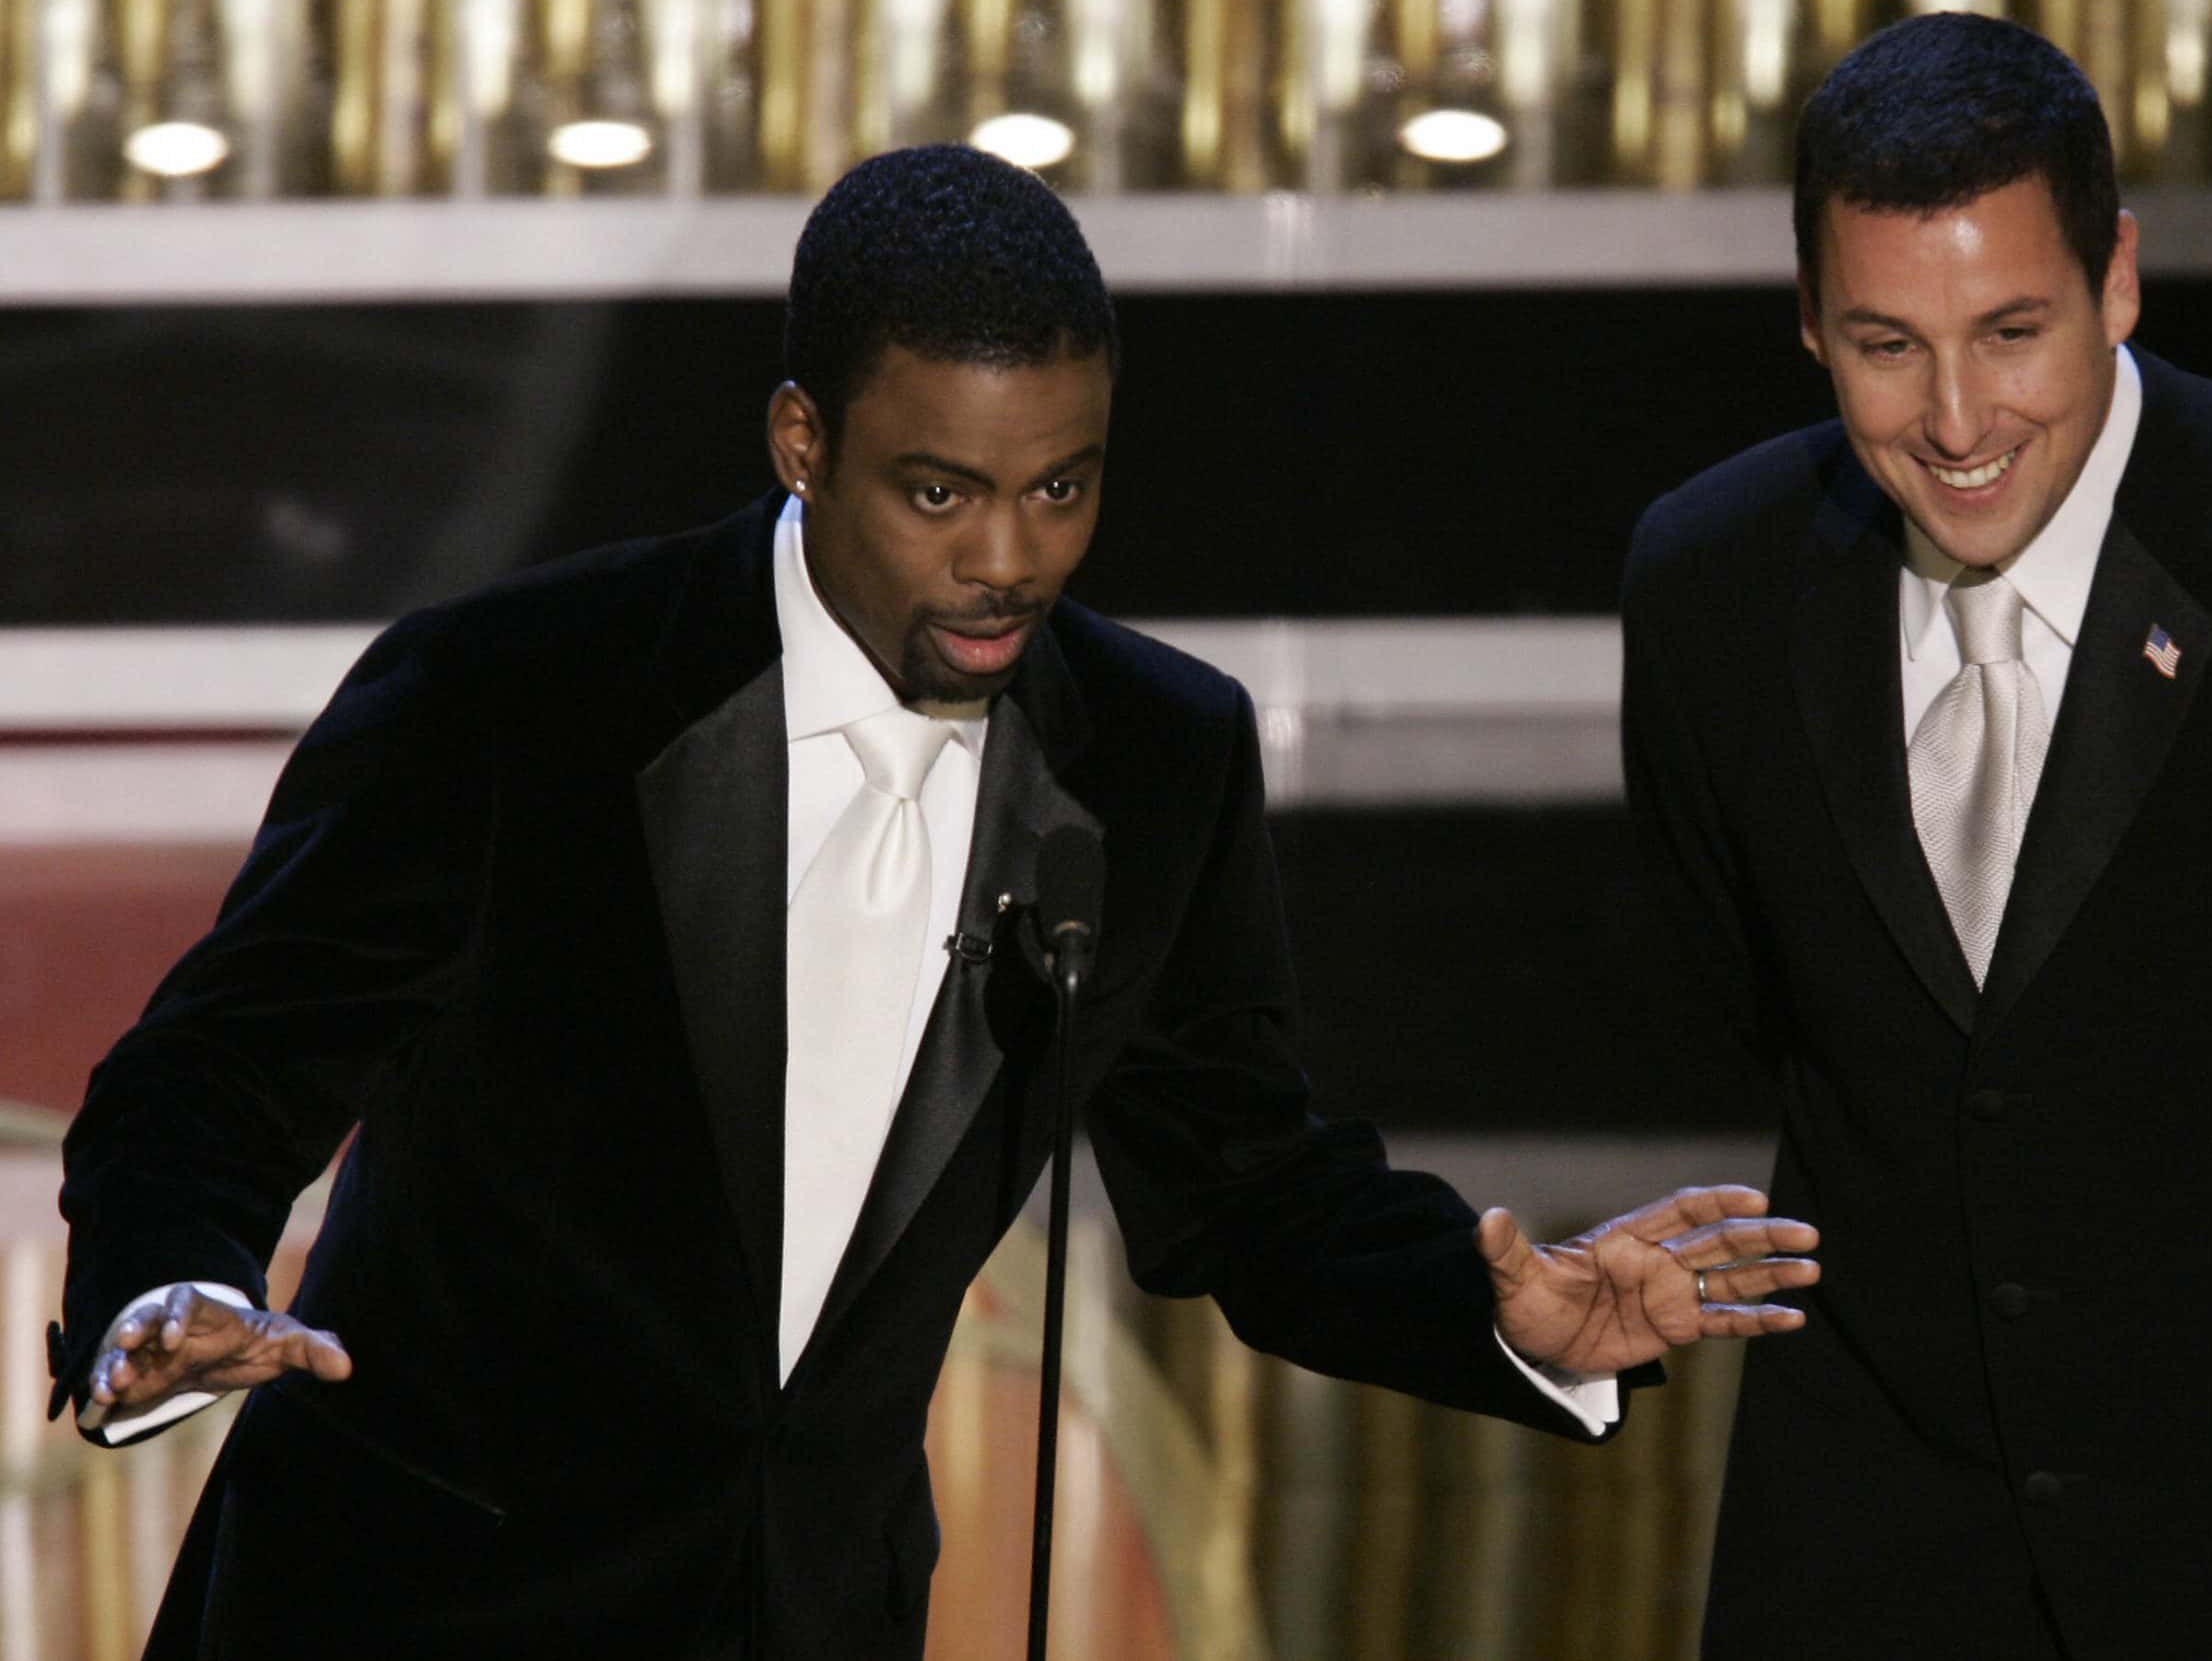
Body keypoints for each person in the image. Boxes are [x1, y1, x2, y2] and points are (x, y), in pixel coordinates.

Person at [53, 144, 1821, 1660]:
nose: (1008, 560)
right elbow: (217, 1070)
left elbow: (1246, 1186)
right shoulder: (514, 696)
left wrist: (1495, 1310)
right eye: (939, 493)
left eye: (1062, 487)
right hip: (412, 1611)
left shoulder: (1156, 756)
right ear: (802, 440)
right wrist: (162, 1285)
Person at [1621, 12, 2212, 1658]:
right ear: (1811, 321)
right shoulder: (1711, 585)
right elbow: (1764, 1019)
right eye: (1886, 343)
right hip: (1882, 1587)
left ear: (2117, 278)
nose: (1957, 417)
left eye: (2012, 330)